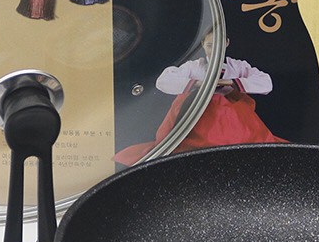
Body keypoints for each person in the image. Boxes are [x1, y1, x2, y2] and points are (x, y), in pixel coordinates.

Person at [114, 31, 287, 166]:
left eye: (219, 44)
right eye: (210, 45)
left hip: (233, 119)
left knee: (226, 109)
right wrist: (198, 84)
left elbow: (266, 83)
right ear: (203, 44)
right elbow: (163, 81)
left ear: (226, 43)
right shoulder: (194, 66)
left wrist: (230, 82)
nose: (214, 49)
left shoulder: (237, 66)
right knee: (209, 105)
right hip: (201, 116)